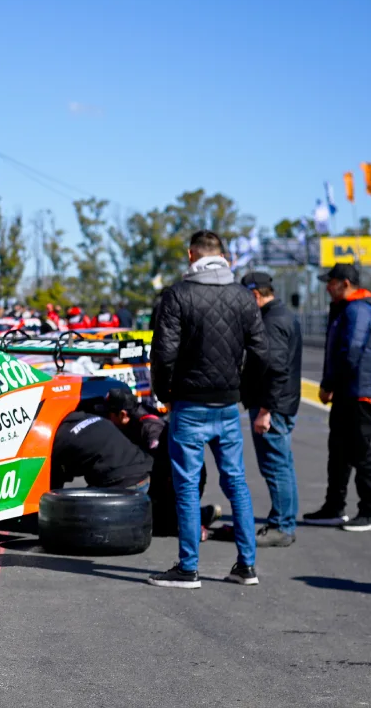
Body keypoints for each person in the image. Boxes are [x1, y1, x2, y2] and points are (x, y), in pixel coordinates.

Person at [148, 230, 267, 589]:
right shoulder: (242, 296)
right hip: (227, 404)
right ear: (223, 257)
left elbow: (163, 353)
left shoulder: (178, 295)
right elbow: (261, 352)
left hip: (188, 403)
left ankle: (188, 568)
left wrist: (164, 394)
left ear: (191, 255)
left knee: (186, 486)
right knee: (236, 483)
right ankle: (246, 566)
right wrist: (243, 391)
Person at [304, 264, 371, 531]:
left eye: (331, 282)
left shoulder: (357, 310)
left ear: (346, 283)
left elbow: (351, 352)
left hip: (358, 393)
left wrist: (329, 384)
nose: (327, 287)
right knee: (338, 452)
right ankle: (334, 507)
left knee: (360, 452)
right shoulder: (347, 309)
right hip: (347, 392)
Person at [100, 388, 217, 540]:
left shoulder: (150, 428)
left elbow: (158, 466)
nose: (106, 419)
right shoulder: (130, 420)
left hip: (182, 479)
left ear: (122, 414)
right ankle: (196, 514)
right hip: (168, 476)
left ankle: (191, 521)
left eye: (108, 414)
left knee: (152, 526)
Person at [239, 272, 302, 546]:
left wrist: (265, 410)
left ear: (255, 295)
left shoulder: (271, 321)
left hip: (272, 406)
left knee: (275, 467)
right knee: (283, 465)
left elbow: (275, 370)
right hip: (282, 403)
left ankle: (282, 526)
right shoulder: (283, 315)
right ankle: (284, 521)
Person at [50, 411, 153, 492]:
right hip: (143, 473)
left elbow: (53, 482)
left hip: (123, 483)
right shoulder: (89, 417)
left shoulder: (57, 438)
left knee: (72, 510)